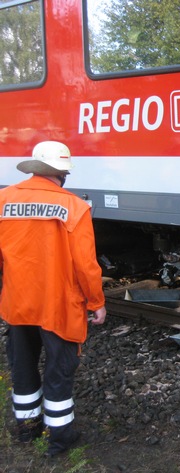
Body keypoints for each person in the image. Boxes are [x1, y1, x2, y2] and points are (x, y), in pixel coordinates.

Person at [0, 140, 107, 457]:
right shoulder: (74, 207)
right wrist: (96, 302)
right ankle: (59, 440)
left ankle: (27, 430)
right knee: (58, 372)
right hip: (57, 307)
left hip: (17, 304)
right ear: (63, 173)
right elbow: (86, 266)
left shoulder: (4, 200)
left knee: (22, 368)